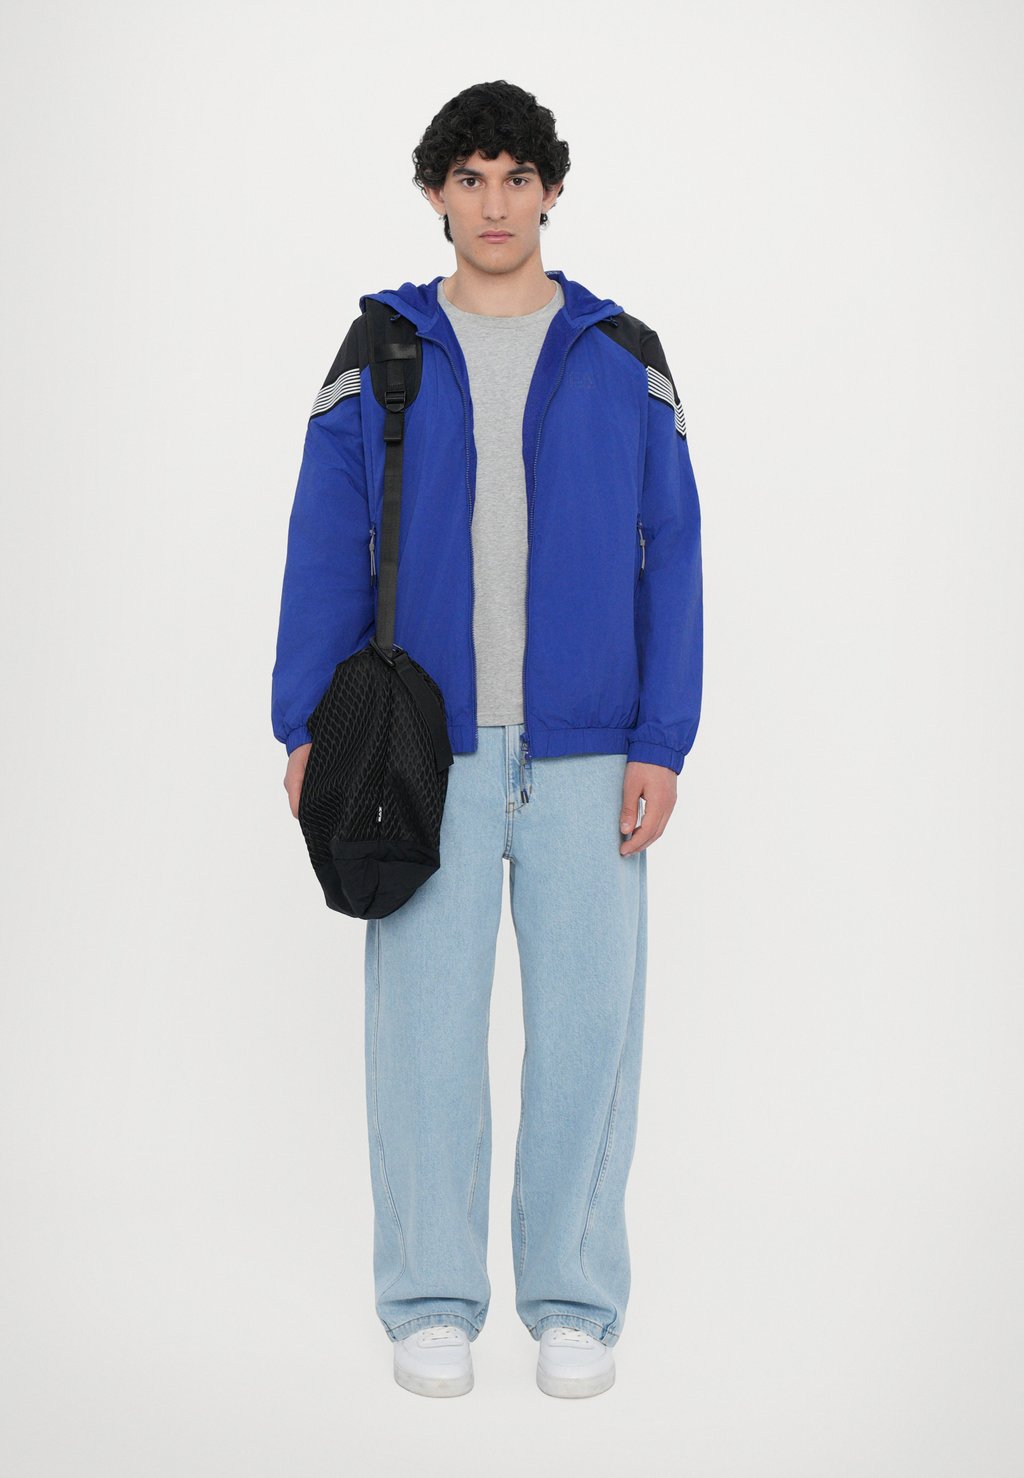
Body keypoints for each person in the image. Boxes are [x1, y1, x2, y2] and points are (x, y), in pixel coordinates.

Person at [270, 79, 703, 1399]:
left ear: (551, 190)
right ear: (436, 193)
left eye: (518, 177)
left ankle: (574, 1300)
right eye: (471, 177)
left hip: (587, 751)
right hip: (424, 749)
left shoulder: (624, 353)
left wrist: (662, 739)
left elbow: (672, 551)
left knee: (587, 1039)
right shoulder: (382, 345)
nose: (495, 201)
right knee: (423, 1038)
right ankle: (429, 1300)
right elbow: (325, 539)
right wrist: (306, 721)